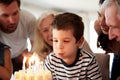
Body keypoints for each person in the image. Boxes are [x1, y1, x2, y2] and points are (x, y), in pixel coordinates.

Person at [45, 12, 102, 80]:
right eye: (55, 40)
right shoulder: (51, 60)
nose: (59, 46)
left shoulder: (88, 61)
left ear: (80, 41)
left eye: (66, 41)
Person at [0, 0, 36, 73]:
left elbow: (36, 47)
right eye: (5, 15)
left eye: (15, 13)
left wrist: (31, 56)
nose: (12, 21)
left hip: (21, 58)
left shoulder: (29, 19)